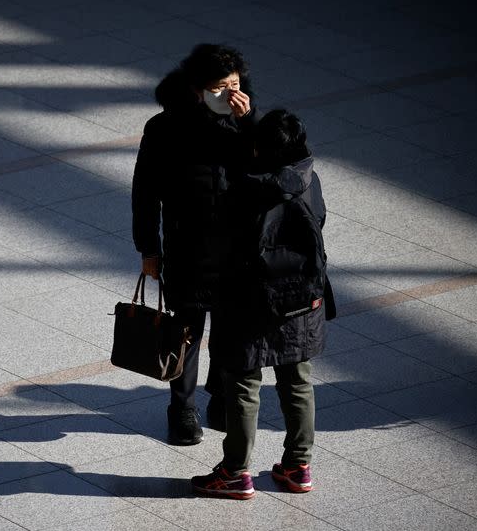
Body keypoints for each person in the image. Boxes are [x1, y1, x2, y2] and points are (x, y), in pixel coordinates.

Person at [191, 108, 335, 499]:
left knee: (243, 384)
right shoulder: (309, 180)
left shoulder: (247, 191)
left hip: (249, 302)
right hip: (302, 299)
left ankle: (236, 471)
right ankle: (297, 467)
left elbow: (222, 241)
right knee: (298, 381)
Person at [131, 43, 258, 445]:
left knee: (229, 328)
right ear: (196, 89)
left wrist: (247, 125)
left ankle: (220, 397)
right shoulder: (164, 129)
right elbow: (145, 193)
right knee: (185, 330)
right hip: (189, 246)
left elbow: (265, 172)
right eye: (221, 87)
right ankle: (181, 408)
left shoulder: (243, 123)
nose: (230, 95)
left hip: (238, 247)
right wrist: (149, 250)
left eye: (235, 85)